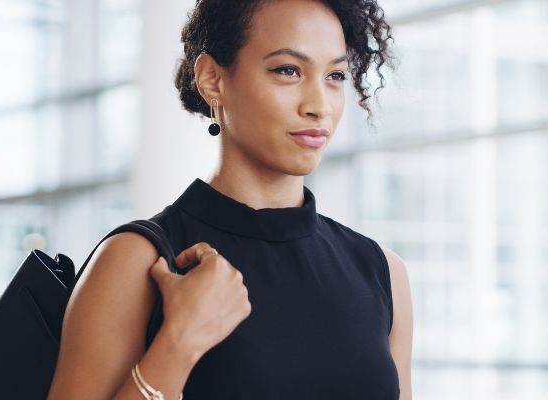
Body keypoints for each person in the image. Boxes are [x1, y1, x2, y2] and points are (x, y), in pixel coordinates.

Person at [47, 0, 413, 399]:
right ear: (212, 79)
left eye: (335, 75)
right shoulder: (137, 260)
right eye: (288, 71)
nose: (319, 106)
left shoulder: (382, 271)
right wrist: (179, 343)